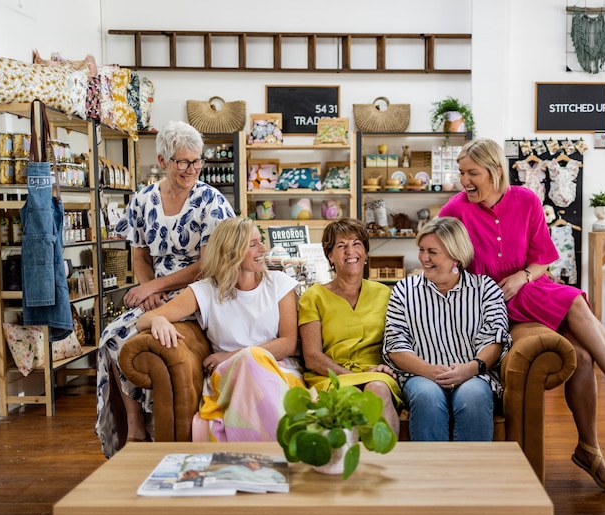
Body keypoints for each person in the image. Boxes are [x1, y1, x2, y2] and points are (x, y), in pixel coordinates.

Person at [440, 138, 605, 492]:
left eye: (472, 173)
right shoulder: (455, 209)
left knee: (581, 353)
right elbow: (439, 255)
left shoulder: (527, 200)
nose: (465, 181)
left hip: (530, 286)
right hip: (490, 298)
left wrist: (524, 275)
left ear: (496, 171)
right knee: (576, 309)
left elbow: (542, 259)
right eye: (461, 173)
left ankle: (590, 447)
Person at [95, 120, 235, 458]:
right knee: (111, 336)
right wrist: (149, 289)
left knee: (150, 338)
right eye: (183, 162)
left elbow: (207, 265)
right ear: (163, 161)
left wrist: (155, 287)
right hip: (156, 291)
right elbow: (139, 254)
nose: (192, 169)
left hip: (197, 291)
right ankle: (134, 425)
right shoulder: (143, 200)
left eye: (197, 160)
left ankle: (143, 428)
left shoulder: (210, 201)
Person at [135, 216, 305, 442]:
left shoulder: (279, 283)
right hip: (228, 378)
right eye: (253, 244)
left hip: (277, 371)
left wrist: (234, 355)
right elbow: (144, 319)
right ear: (231, 252)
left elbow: (288, 343)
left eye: (260, 241)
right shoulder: (205, 291)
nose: (263, 248)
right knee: (250, 364)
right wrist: (158, 321)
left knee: (252, 359)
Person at [383, 217, 511, 442]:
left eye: (432, 252)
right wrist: (431, 372)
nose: (424, 258)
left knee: (473, 396)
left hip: (475, 375)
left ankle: (471, 474)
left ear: (456, 256)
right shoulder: (404, 290)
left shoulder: (485, 289)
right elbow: (395, 344)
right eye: (421, 250)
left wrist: (469, 369)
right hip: (420, 375)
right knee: (426, 395)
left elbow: (495, 339)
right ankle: (432, 475)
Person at [298, 218, 401, 434]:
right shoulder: (313, 296)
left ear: (364, 252)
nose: (350, 251)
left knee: (377, 389)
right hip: (330, 376)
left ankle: (388, 462)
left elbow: (395, 342)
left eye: (356, 244)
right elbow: (312, 356)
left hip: (374, 373)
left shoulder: (385, 293)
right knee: (347, 393)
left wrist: (386, 365)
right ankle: (350, 465)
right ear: (330, 256)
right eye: (341, 246)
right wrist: (345, 374)